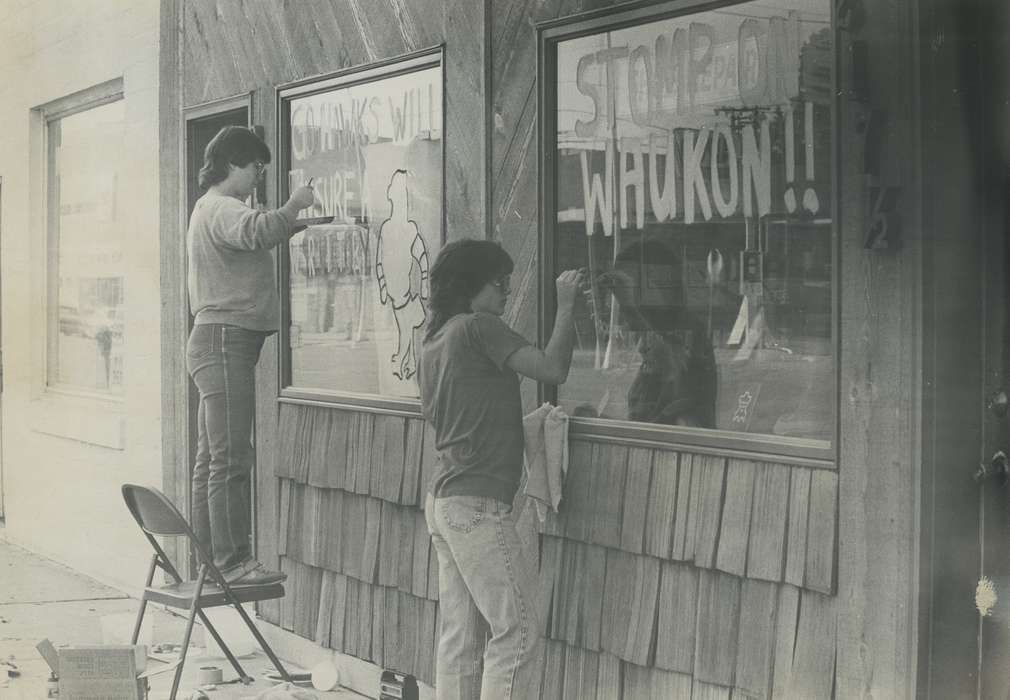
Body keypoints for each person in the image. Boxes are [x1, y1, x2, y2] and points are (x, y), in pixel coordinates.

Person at [418, 239, 583, 700]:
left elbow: (452, 415)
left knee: (460, 639)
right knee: (519, 631)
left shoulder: (434, 339)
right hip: (477, 506)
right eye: (500, 282)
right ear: (473, 284)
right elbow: (552, 368)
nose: (508, 291)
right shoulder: (479, 327)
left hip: (444, 502)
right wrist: (566, 303)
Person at [186, 126, 315, 586]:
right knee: (231, 457)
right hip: (225, 341)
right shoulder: (223, 207)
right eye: (256, 168)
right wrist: (295, 205)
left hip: (218, 341)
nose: (259, 177)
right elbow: (257, 231)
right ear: (234, 164)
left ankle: (210, 561)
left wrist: (287, 222)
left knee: (215, 458)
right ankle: (233, 561)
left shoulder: (210, 209)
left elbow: (253, 234)